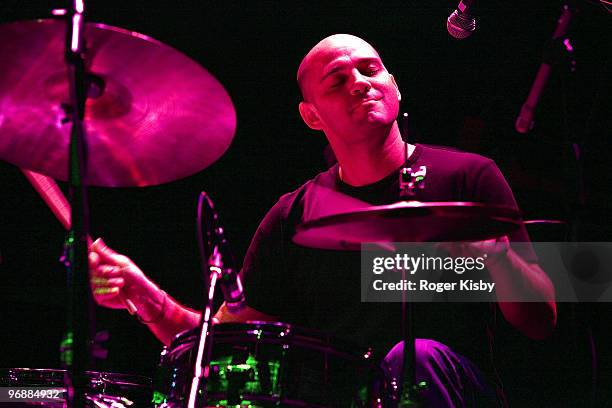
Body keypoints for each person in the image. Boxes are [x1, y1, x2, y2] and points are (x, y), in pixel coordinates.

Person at [89, 34, 556, 407]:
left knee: (415, 357)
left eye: (370, 69)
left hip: (454, 386)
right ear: (311, 116)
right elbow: (223, 347)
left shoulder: (468, 176)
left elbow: (543, 319)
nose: (359, 82)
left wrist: (493, 262)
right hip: (344, 395)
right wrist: (146, 299)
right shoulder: (293, 216)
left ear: (394, 84)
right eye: (337, 80)